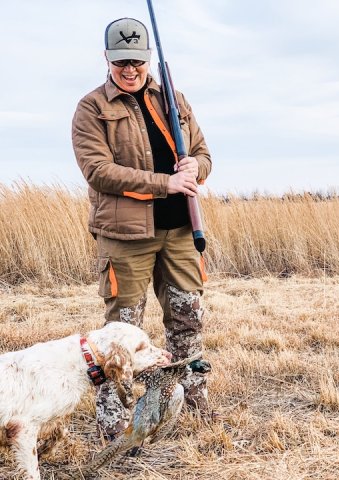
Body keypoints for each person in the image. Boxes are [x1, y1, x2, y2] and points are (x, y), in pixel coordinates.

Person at [72, 17, 212, 439]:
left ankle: (193, 403)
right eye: (120, 63)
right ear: (106, 59)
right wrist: (164, 183)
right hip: (126, 238)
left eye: (136, 60)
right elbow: (98, 171)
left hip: (181, 232)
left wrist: (195, 168)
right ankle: (115, 426)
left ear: (148, 58)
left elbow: (205, 154)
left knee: (188, 319)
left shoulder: (175, 99)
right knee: (121, 332)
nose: (129, 70)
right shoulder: (92, 107)